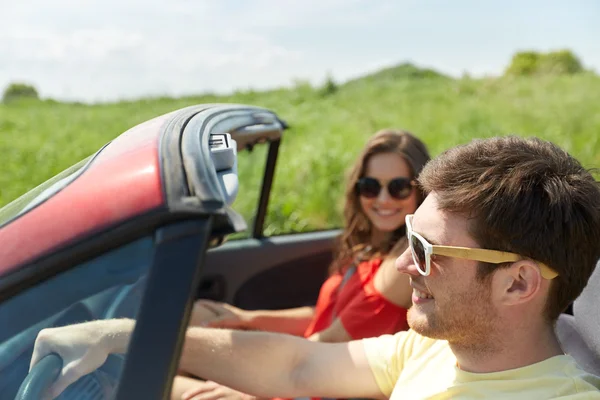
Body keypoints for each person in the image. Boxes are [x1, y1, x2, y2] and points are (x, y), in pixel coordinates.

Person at [31, 136, 600, 399]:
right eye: (409, 238)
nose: (403, 263)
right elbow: (300, 365)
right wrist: (120, 335)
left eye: (427, 251)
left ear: (519, 281)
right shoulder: (437, 348)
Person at [172, 129, 431, 399]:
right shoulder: (371, 246)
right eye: (370, 186)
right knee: (199, 315)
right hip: (309, 360)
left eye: (398, 187)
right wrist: (248, 318)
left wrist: (248, 385)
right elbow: (325, 314)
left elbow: (330, 341)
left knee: (174, 387)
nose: (383, 199)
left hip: (320, 381)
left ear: (421, 190)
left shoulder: (404, 262)